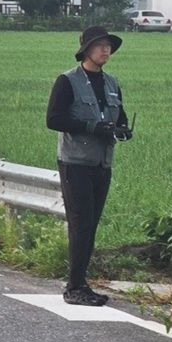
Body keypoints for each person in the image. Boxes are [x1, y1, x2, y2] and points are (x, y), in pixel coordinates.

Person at [45, 26, 132, 306]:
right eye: (100, 46)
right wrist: (90, 127)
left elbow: (121, 117)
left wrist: (122, 130)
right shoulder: (67, 81)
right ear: (86, 50)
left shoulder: (111, 83)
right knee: (81, 224)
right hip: (75, 163)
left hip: (102, 163)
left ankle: (81, 283)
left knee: (91, 224)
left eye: (108, 46)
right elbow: (54, 119)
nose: (105, 50)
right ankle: (74, 287)